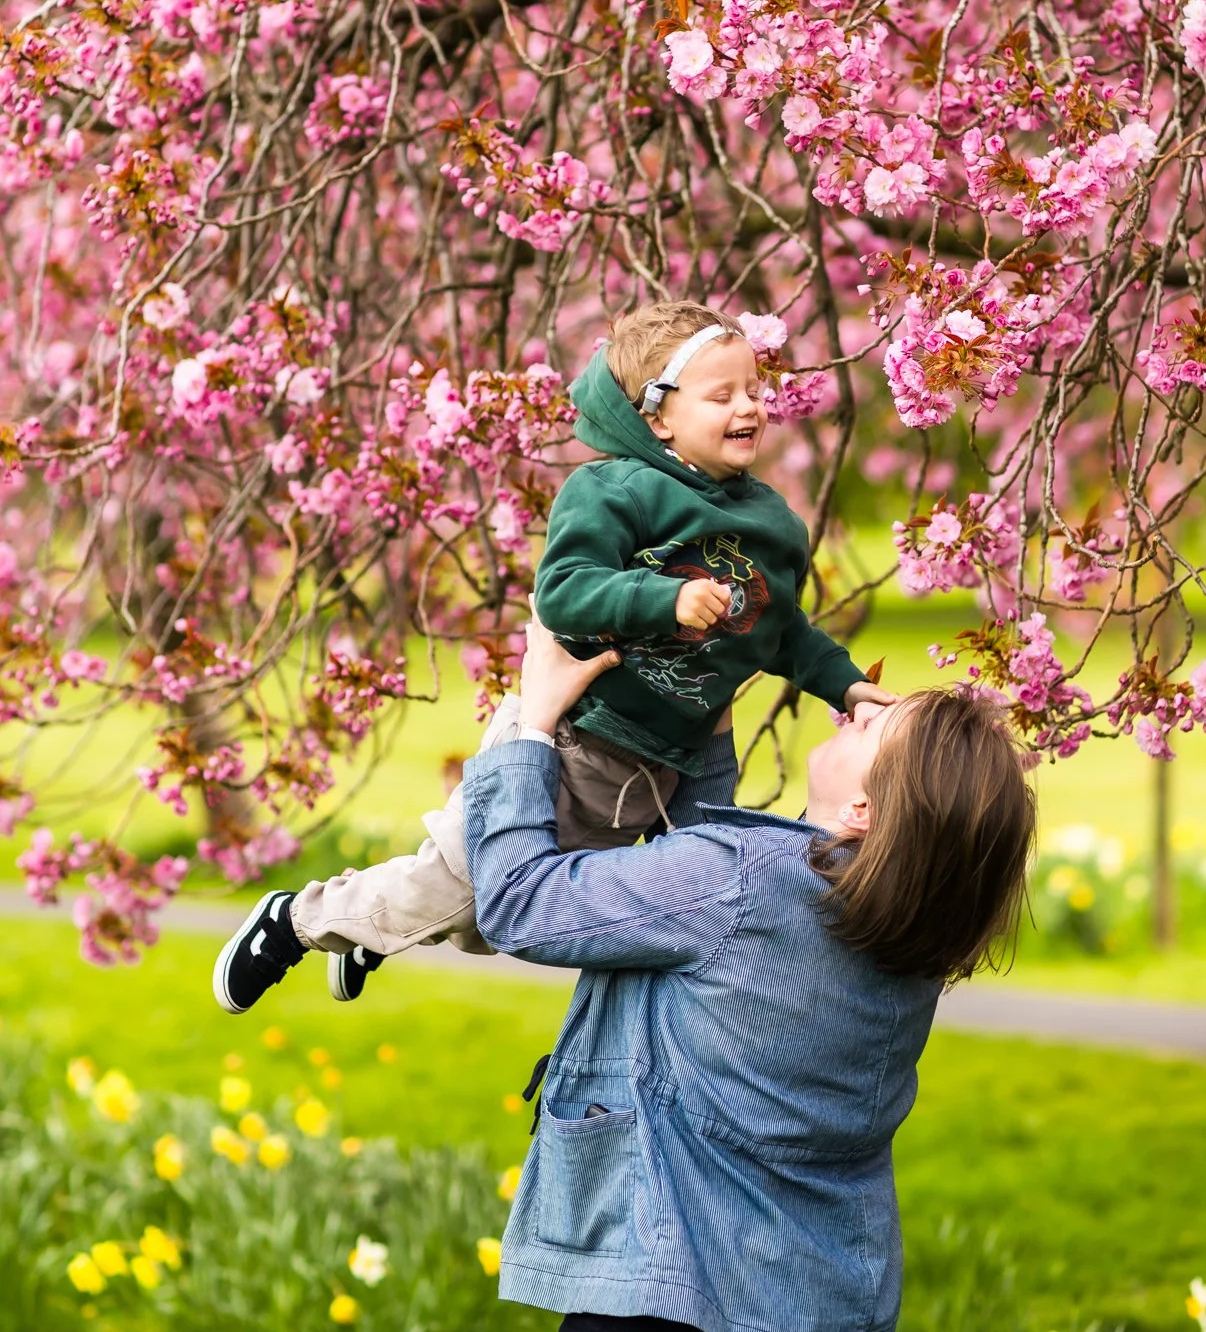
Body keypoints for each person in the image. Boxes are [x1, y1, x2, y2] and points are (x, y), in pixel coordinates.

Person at [458, 613, 1035, 1332]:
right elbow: (712, 888)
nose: (857, 710)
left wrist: (530, 725)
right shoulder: (907, 925)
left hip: (674, 1328)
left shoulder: (734, 887)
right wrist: (708, 727)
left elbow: (520, 901)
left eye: (872, 732)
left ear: (864, 815)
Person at [213, 301, 893, 1015]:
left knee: (557, 915)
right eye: (720, 396)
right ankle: (299, 920)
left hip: (685, 756)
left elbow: (783, 630)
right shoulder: (612, 490)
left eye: (753, 390)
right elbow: (563, 593)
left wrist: (845, 688)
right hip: (579, 740)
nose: (747, 407)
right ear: (656, 417)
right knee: (475, 894)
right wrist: (663, 598)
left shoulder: (769, 521)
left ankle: (375, 930)